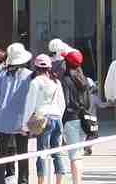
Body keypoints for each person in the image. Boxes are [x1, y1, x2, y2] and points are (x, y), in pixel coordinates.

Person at [0, 44, 36, 184]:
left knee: (1, 153)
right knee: (22, 153)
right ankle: (23, 181)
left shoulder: (1, 74)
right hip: (22, 120)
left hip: (3, 120)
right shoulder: (29, 75)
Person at [28, 54, 67, 184]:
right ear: (49, 67)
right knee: (57, 152)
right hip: (57, 118)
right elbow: (62, 104)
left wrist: (24, 123)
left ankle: (41, 181)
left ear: (36, 67)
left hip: (43, 119)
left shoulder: (35, 82)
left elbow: (30, 105)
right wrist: (59, 117)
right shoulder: (56, 82)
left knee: (42, 152)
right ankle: (59, 181)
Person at [59, 49, 95, 178]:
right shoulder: (84, 79)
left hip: (71, 119)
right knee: (78, 155)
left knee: (74, 157)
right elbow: (89, 102)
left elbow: (65, 102)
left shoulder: (66, 80)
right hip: (84, 119)